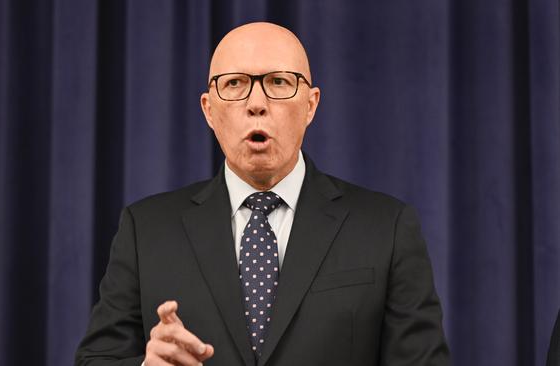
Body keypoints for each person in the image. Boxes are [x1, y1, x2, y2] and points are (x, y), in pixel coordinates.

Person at [75, 22, 450, 366]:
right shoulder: (146, 230)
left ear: (311, 105)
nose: (256, 104)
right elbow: (96, 360)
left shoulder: (387, 228)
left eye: (279, 82)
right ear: (209, 109)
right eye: (235, 84)